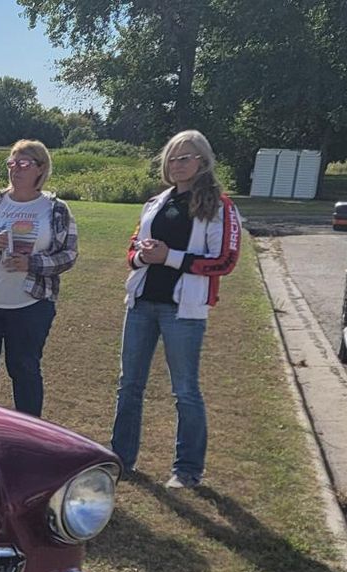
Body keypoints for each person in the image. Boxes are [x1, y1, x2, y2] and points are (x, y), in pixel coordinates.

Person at [112, 129, 243, 489]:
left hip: (183, 310)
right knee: (129, 385)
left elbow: (225, 261)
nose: (177, 164)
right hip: (141, 304)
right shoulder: (156, 202)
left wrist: (168, 257)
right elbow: (131, 252)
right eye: (172, 157)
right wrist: (143, 255)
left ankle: (187, 470)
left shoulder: (220, 206)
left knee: (185, 390)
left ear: (203, 160)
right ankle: (122, 459)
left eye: (185, 157)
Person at [0, 139, 79, 417]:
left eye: (23, 164)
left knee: (25, 370)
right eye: (12, 163)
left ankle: (31, 438)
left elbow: (69, 255)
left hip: (30, 305)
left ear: (40, 168)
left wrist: (30, 263)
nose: (15, 170)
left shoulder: (56, 210)